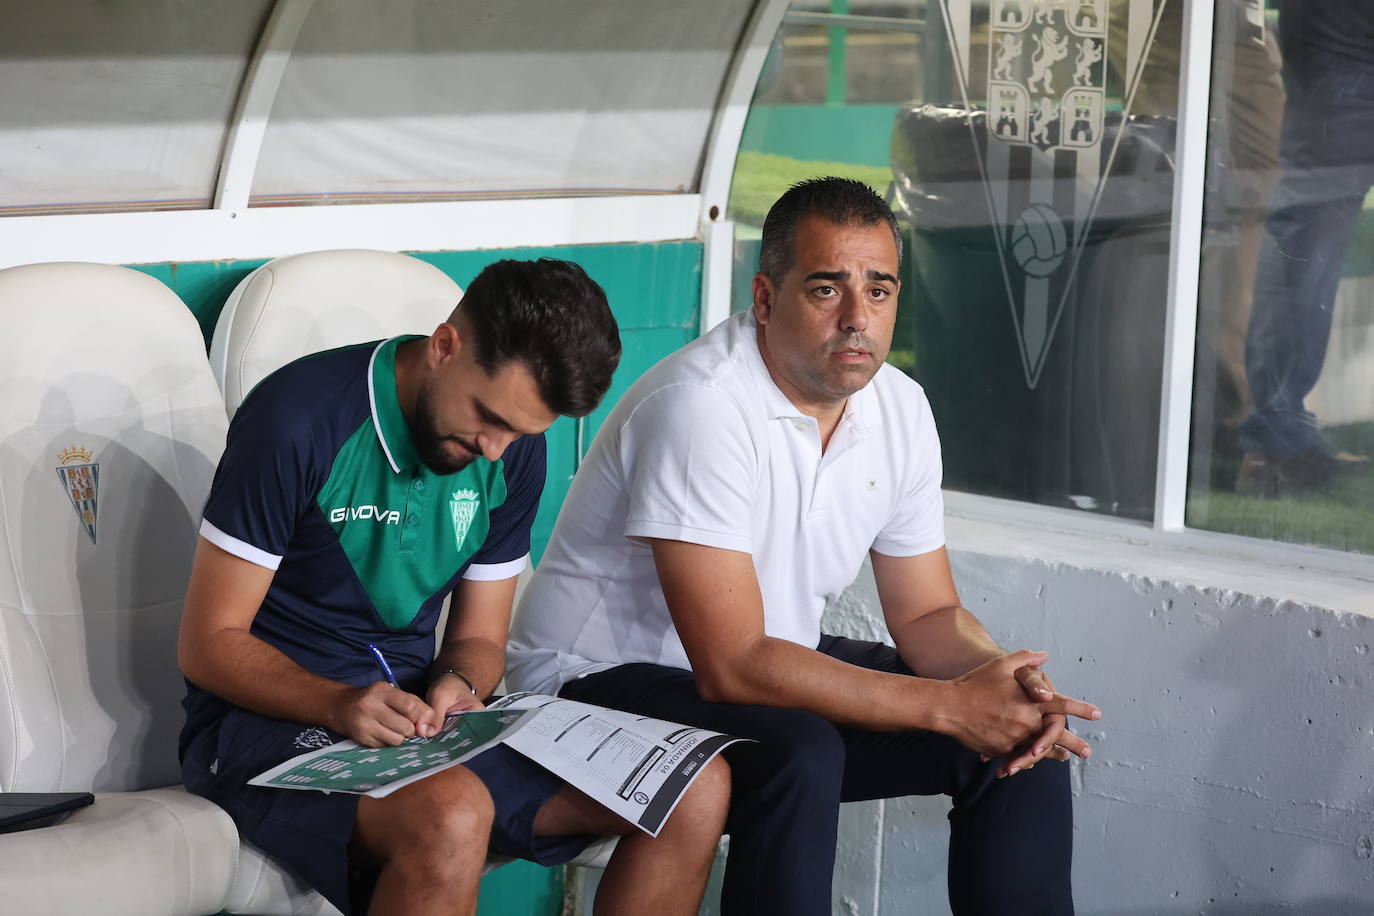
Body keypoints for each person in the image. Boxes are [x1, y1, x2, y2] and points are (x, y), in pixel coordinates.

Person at [507, 179, 1101, 915]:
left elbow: (925, 614)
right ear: (763, 299)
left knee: (1020, 743)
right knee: (799, 754)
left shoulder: (900, 408)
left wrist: (993, 684)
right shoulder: (703, 406)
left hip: (765, 663)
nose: (857, 318)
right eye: (826, 289)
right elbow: (732, 666)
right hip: (591, 679)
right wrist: (945, 707)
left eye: (879, 292)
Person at [178, 258, 729, 916]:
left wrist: (462, 685)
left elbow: (477, 640)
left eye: (520, 432)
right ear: (445, 347)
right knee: (454, 811)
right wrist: (338, 703)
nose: (496, 449)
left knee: (693, 791)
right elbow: (209, 643)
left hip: (414, 726)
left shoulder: (511, 445)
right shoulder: (296, 418)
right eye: (488, 418)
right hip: (265, 725)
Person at [1236, 0, 1374, 494]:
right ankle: (1276, 443)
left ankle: (1278, 438)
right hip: (1344, 37)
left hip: (1338, 41)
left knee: (1307, 229)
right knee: (1307, 231)